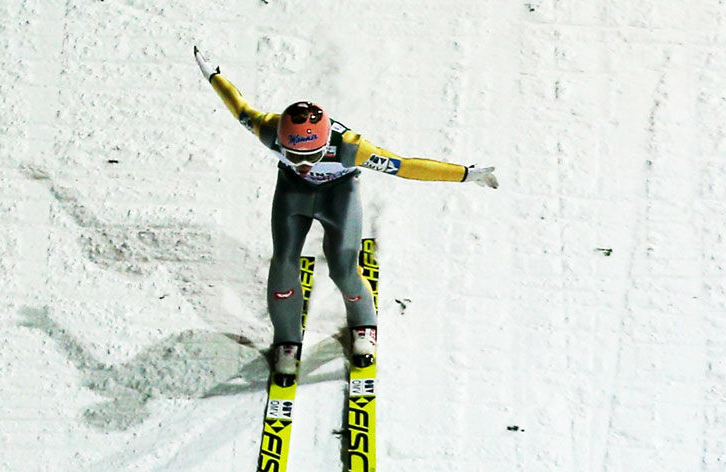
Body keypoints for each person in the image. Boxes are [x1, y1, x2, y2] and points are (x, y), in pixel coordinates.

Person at [193, 46, 498, 386]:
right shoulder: (269, 129)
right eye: (293, 154)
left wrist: (466, 174)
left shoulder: (351, 147)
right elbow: (240, 107)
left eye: (312, 155)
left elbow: (405, 166)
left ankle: (363, 322)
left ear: (327, 143)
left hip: (339, 196)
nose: (305, 163)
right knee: (282, 264)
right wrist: (213, 74)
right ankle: (287, 340)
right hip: (293, 194)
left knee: (342, 267)